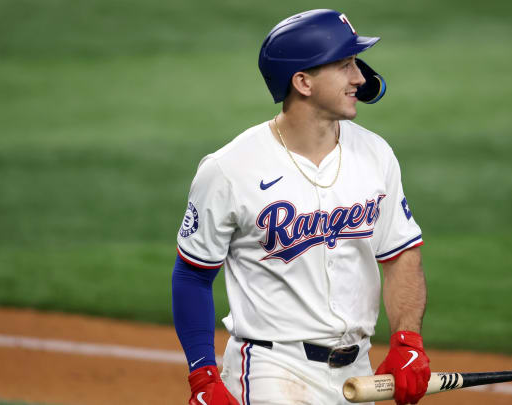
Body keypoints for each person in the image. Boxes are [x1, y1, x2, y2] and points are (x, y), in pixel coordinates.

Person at [172, 9, 430, 405]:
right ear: (303, 82)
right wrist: (204, 378)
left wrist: (407, 339)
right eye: (345, 66)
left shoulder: (376, 154)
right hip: (272, 371)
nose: (360, 78)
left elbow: (401, 254)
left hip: (356, 371)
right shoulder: (229, 169)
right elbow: (193, 274)